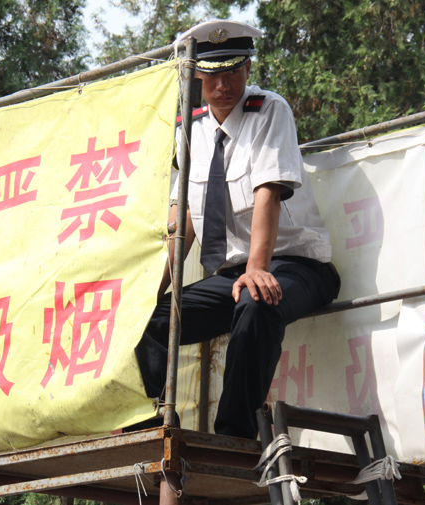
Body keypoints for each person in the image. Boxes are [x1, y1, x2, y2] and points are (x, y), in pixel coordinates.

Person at [133, 20, 341, 439]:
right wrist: (153, 287)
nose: (223, 85)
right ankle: (147, 424)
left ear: (248, 69)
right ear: (198, 78)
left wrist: (258, 267)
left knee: (258, 298)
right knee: (150, 319)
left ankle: (234, 435)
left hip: (296, 265)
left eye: (232, 73)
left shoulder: (269, 110)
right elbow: (186, 219)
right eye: (212, 76)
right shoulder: (189, 130)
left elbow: (267, 190)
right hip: (231, 275)